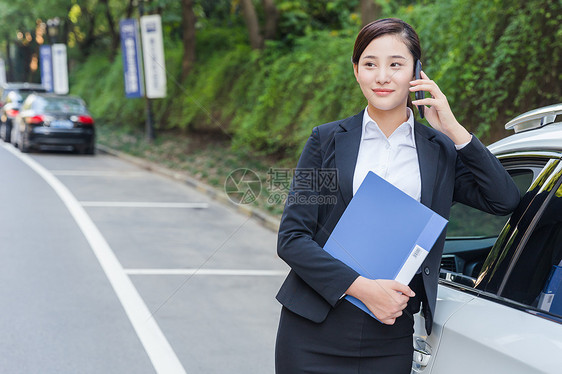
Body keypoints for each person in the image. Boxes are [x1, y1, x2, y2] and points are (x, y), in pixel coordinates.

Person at [274, 17, 521, 374]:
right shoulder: (327, 141)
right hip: (314, 327)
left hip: (389, 333)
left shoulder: (438, 150)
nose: (382, 76)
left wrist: (453, 128)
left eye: (396, 64)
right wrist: (362, 289)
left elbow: (504, 200)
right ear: (356, 70)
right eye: (370, 64)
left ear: (416, 72)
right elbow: (293, 238)